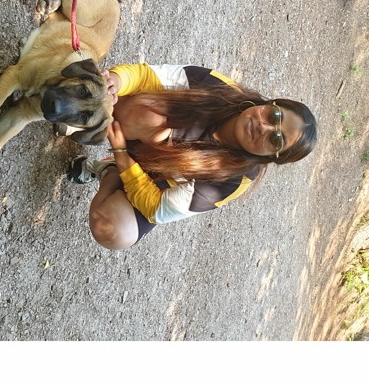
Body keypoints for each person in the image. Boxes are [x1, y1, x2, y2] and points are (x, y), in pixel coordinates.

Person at [66, 63, 317, 250]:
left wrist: (121, 157)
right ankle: (89, 120)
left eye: (276, 140)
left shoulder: (233, 181)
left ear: (272, 158)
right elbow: (147, 76)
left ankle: (110, 172)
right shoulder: (219, 88)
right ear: (270, 103)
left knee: (113, 230)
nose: (264, 127)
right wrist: (116, 81)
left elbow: (157, 209)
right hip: (140, 132)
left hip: (153, 179)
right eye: (274, 115)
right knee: (146, 114)